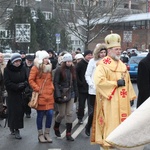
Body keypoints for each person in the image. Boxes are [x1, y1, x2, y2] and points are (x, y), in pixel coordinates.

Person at [91, 33, 136, 149]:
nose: (119, 51)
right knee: (111, 125)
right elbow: (99, 82)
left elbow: (128, 82)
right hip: (110, 101)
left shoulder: (121, 64)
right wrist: (115, 84)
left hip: (123, 100)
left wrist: (130, 96)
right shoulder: (103, 65)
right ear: (109, 50)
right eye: (116, 49)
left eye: (120, 49)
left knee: (122, 128)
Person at [29, 50, 54, 143]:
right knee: (40, 115)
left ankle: (47, 133)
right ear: (41, 59)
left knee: (50, 114)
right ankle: (40, 134)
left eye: (48, 58)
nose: (47, 60)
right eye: (45, 58)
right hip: (40, 95)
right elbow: (31, 80)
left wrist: (52, 88)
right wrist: (38, 89)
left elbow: (51, 79)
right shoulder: (35, 68)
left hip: (49, 95)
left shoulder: (49, 67)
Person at [53, 53, 78, 141]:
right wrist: (58, 95)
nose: (69, 63)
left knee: (69, 113)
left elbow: (75, 82)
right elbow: (55, 83)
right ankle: (56, 127)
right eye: (67, 61)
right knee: (61, 114)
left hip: (71, 93)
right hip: (62, 94)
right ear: (64, 61)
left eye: (70, 61)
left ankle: (68, 134)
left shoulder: (73, 69)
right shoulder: (59, 70)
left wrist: (76, 94)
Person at [84, 43, 107, 136]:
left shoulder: (107, 62)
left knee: (103, 111)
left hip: (104, 90)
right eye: (101, 52)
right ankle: (88, 126)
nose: (103, 54)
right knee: (92, 112)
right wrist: (92, 84)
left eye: (104, 52)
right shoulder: (92, 61)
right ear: (98, 52)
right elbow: (87, 75)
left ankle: (102, 129)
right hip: (93, 91)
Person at [4, 53, 28, 139]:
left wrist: (24, 84)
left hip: (21, 94)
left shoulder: (23, 68)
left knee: (20, 112)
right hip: (12, 94)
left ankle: (17, 129)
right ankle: (13, 128)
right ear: (13, 62)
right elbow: (7, 82)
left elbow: (26, 79)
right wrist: (16, 86)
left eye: (19, 61)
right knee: (12, 112)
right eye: (16, 61)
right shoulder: (7, 70)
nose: (18, 63)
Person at [76, 50, 93, 124]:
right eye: (88, 55)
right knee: (81, 105)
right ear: (85, 56)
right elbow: (76, 74)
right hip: (82, 88)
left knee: (91, 105)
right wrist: (80, 83)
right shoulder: (80, 64)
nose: (90, 56)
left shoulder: (93, 63)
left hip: (91, 87)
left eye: (91, 55)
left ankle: (90, 118)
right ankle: (80, 117)